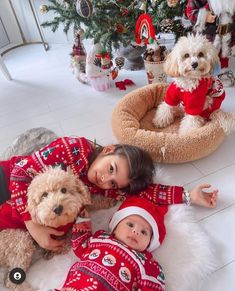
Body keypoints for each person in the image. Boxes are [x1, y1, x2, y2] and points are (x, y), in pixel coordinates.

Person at [0, 136, 218, 251]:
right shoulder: (72, 148)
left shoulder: (102, 186)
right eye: (111, 168)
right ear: (107, 150)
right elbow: (20, 173)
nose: (104, 179)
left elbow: (150, 192)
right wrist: (32, 225)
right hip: (7, 178)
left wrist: (189, 195)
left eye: (113, 184)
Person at [56, 196, 168, 290]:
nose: (136, 231)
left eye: (144, 232)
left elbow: (153, 286)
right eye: (130, 225)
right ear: (115, 228)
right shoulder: (101, 239)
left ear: (149, 244)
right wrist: (82, 221)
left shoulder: (145, 263)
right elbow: (81, 245)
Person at [185, 0, 235, 87]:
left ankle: (221, 74)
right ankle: (203, 76)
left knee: (222, 57)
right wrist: (204, 16)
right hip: (206, 36)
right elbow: (189, 12)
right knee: (204, 57)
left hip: (225, 36)